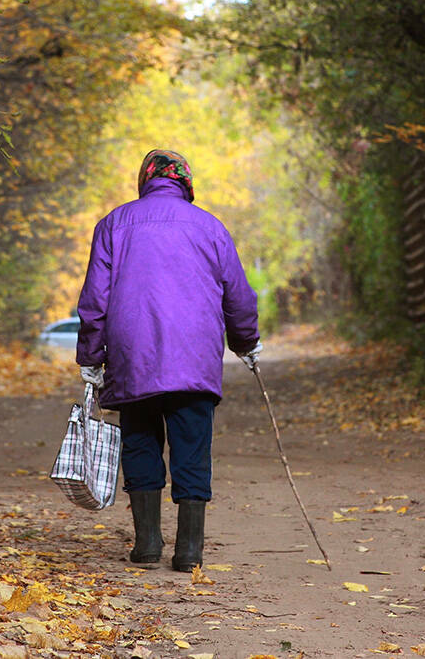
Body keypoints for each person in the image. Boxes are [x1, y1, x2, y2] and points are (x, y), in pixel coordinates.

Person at [75, 148, 262, 572]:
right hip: (194, 358)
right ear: (186, 182)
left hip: (131, 353)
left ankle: (147, 545)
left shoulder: (114, 224)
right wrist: (246, 342)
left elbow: (94, 300)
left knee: (139, 440)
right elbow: (238, 295)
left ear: (145, 179)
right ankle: (189, 551)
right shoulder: (210, 227)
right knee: (192, 446)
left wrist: (90, 355)